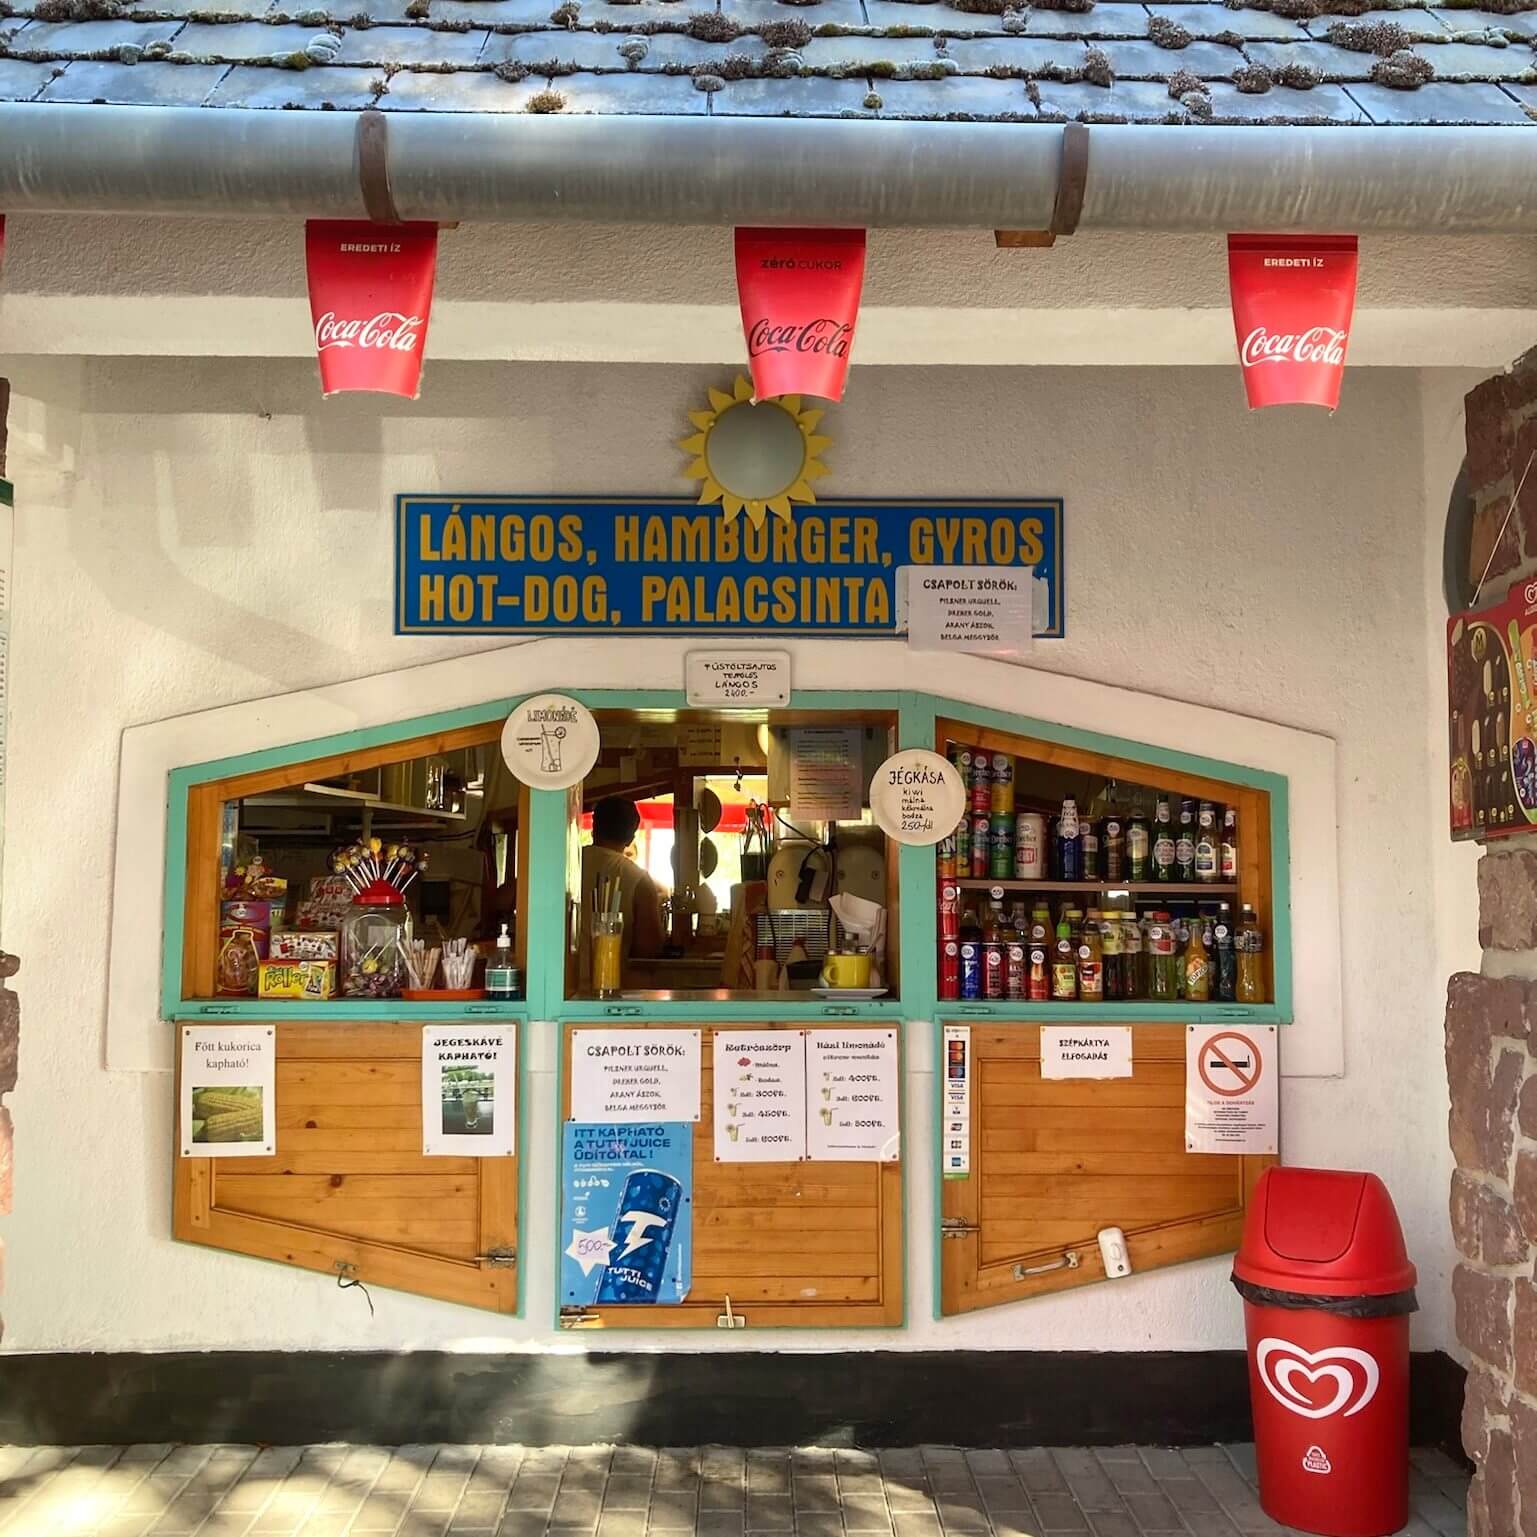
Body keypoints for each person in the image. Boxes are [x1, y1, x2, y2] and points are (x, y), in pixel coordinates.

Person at [580, 797, 665, 980]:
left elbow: (505, 898)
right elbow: (648, 949)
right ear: (630, 838)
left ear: (594, 826)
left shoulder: (566, 862)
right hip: (610, 986)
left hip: (556, 984)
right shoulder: (639, 880)